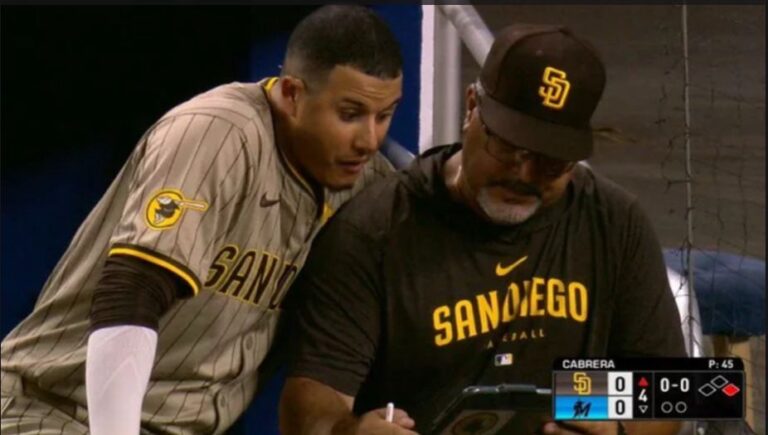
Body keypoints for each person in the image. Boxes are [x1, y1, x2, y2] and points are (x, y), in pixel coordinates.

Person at [0, 5, 403, 435]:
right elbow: (132, 291)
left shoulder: (370, 183)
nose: (370, 139)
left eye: (385, 116)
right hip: (51, 409)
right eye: (350, 114)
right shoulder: (217, 133)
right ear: (292, 94)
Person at [279, 23, 685, 435]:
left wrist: (608, 423)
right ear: (472, 107)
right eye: (508, 148)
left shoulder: (614, 221)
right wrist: (349, 431)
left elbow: (684, 393)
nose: (524, 175)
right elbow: (310, 406)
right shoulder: (373, 232)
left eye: (550, 163)